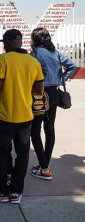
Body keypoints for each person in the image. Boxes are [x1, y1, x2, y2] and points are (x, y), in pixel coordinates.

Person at [0, 29, 44, 204]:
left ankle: (2, 190)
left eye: (4, 42)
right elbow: (39, 90)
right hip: (26, 117)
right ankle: (16, 192)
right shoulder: (33, 61)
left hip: (5, 116)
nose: (3, 45)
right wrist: (23, 89)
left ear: (8, 42)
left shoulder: (4, 59)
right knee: (22, 154)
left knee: (0, 151)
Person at [30, 28, 77, 180]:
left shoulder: (35, 54)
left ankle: (44, 168)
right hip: (55, 94)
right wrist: (61, 78)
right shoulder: (55, 53)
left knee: (35, 131)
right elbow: (73, 66)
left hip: (40, 95)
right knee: (49, 129)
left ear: (36, 39)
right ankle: (45, 164)